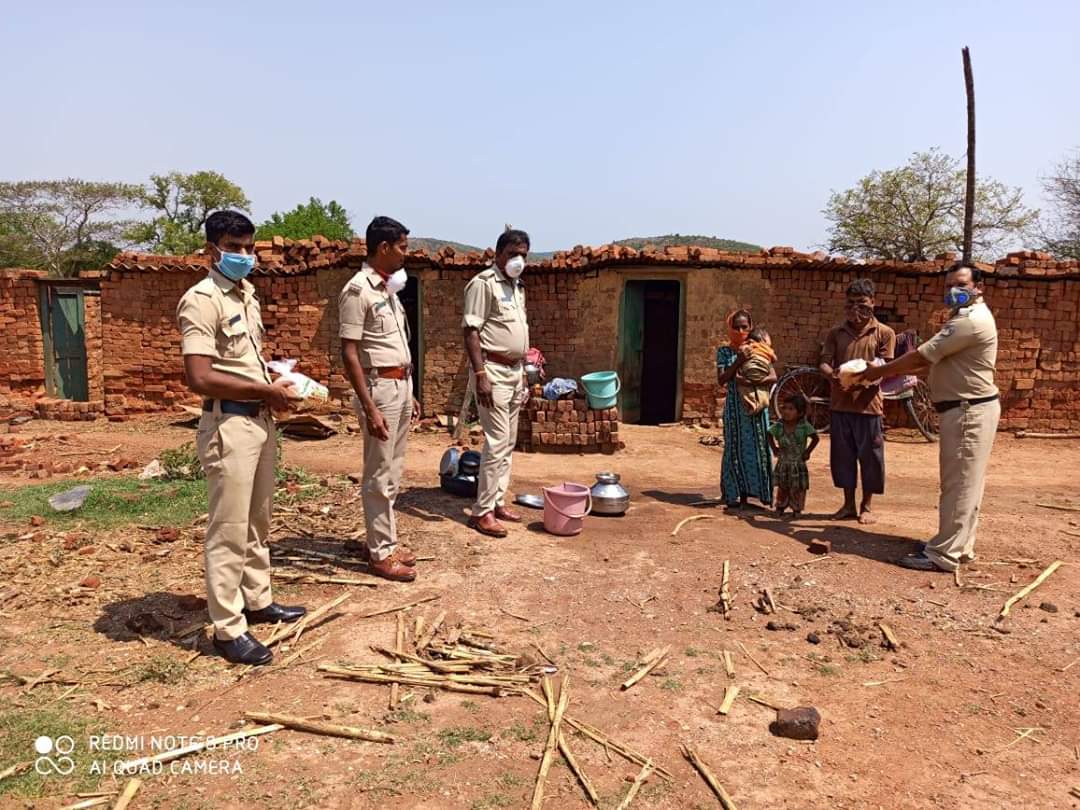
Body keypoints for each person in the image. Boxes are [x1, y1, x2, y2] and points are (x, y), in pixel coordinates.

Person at [176, 210, 306, 666]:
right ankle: (228, 629)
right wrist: (263, 389)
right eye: (235, 248)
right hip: (228, 424)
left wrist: (275, 380)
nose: (245, 256)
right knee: (228, 527)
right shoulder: (202, 300)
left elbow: (242, 363)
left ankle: (258, 600)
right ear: (213, 249)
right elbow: (200, 376)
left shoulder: (246, 296)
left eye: (249, 247)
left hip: (259, 421)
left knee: (257, 520)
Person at [857, 264, 999, 572]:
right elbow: (928, 365)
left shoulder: (970, 322)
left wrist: (877, 372)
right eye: (948, 285)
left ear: (979, 287)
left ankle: (944, 555)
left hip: (968, 410)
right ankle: (958, 546)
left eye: (960, 284)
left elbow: (921, 357)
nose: (952, 291)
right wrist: (890, 371)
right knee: (964, 482)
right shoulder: (963, 319)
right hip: (966, 409)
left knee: (960, 483)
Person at [339, 216, 420, 582]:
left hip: (400, 387)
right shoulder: (358, 291)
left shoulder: (387, 289)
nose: (407, 253)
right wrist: (370, 407)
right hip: (380, 391)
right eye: (402, 246)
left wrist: (412, 391)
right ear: (383, 248)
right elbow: (350, 353)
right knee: (378, 473)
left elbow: (398, 347)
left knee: (394, 468)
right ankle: (380, 553)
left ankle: (383, 540)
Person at [462, 229, 531, 537]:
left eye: (524, 255)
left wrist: (526, 374)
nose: (519, 260)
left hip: (515, 372)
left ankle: (498, 500)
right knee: (496, 442)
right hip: (493, 371)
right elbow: (471, 332)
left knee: (509, 442)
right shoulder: (482, 285)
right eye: (514, 254)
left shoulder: (517, 287)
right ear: (498, 254)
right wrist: (480, 375)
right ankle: (482, 512)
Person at [819, 279, 896, 524]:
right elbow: (824, 362)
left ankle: (867, 506)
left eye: (862, 303)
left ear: (873, 302)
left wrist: (867, 379)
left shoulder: (884, 333)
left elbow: (886, 366)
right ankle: (848, 504)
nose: (856, 309)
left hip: (869, 406)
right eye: (851, 303)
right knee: (843, 457)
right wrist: (832, 375)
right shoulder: (836, 333)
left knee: (871, 458)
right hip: (841, 403)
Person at [716, 310, 775, 509]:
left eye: (744, 327)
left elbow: (773, 376)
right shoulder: (725, 352)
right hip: (735, 409)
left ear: (751, 328)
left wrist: (752, 380)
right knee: (734, 449)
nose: (740, 331)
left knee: (759, 448)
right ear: (729, 328)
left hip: (756, 407)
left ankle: (759, 494)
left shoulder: (758, 348)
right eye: (736, 327)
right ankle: (734, 494)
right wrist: (739, 360)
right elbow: (722, 380)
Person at [767, 393, 820, 517]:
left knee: (798, 488)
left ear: (800, 413)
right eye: (784, 408)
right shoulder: (779, 426)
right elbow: (769, 434)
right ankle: (780, 507)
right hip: (784, 463)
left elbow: (815, 438)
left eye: (791, 409)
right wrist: (774, 448)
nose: (786, 411)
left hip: (798, 463)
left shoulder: (804, 426)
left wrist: (808, 452)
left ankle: (797, 509)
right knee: (782, 487)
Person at [737, 327, 777, 415]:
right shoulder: (766, 349)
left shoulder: (746, 347)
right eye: (769, 338)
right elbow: (774, 359)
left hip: (748, 371)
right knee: (763, 396)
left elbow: (740, 352)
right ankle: (761, 404)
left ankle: (751, 406)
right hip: (761, 372)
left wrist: (750, 382)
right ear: (763, 339)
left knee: (744, 391)